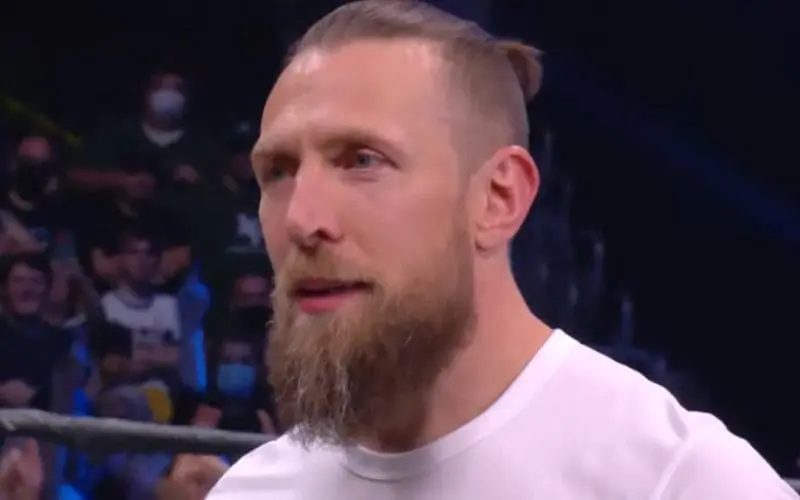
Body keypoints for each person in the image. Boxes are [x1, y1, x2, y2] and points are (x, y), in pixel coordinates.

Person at [169, 1, 797, 499]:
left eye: (362, 160)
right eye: (278, 171)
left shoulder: (675, 480)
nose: (302, 219)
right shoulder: (256, 490)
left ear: (499, 198)